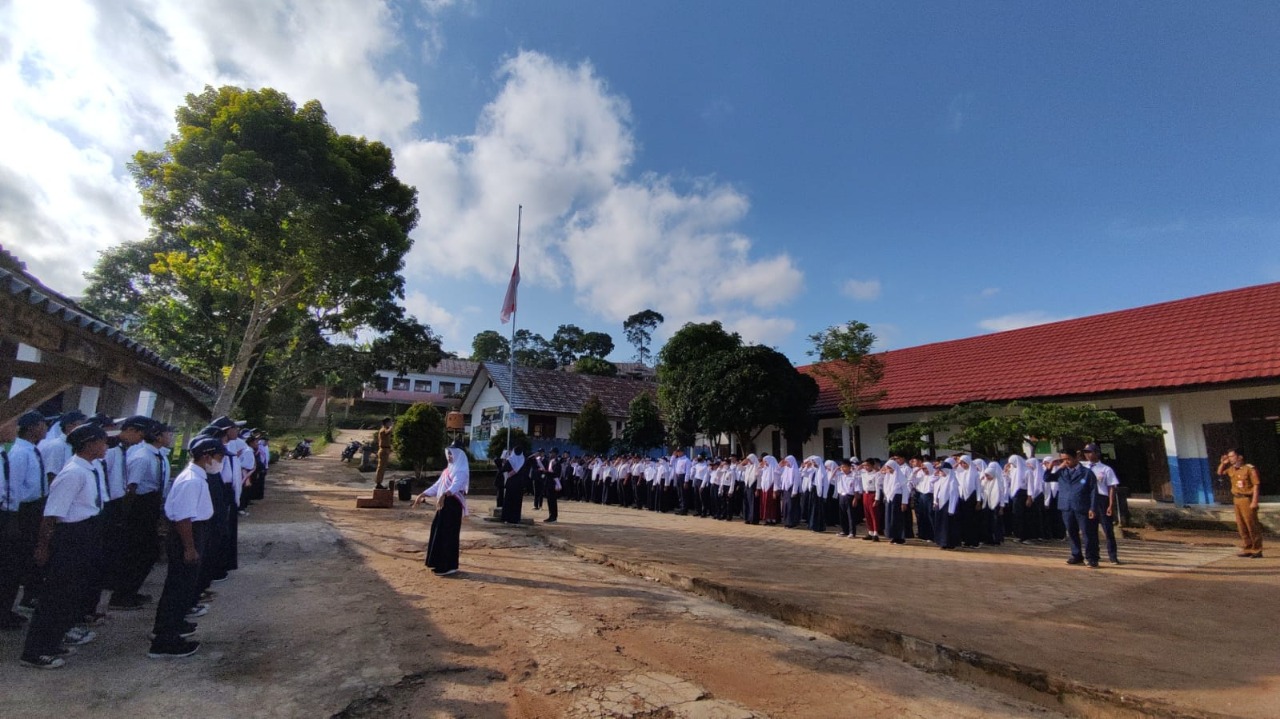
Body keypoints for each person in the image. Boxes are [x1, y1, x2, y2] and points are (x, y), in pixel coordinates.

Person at [19, 424, 110, 669]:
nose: (106, 446)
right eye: (102, 441)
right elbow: (51, 515)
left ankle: (53, 641)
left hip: (87, 532)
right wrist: (43, 546)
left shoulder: (89, 468)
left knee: (71, 594)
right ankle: (35, 651)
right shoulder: (73, 473)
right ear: (89, 444)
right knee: (56, 595)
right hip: (71, 536)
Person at [148, 436, 221, 659]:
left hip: (192, 532)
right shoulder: (192, 481)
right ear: (207, 457)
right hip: (187, 535)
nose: (220, 463)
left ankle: (171, 626)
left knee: (183, 586)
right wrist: (189, 547)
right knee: (179, 587)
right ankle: (165, 641)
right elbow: (183, 518)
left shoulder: (196, 476)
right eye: (219, 458)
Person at [3, 412, 50, 617]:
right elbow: (12, 487)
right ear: (32, 427)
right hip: (22, 511)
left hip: (33, 508)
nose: (45, 428)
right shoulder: (19, 453)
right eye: (42, 424)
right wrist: (13, 517)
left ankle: (9, 607)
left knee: (23, 560)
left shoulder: (31, 450)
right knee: (12, 562)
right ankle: (4, 610)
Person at [412, 445, 470, 576]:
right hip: (443, 504)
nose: (449, 456)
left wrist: (444, 495)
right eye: (448, 453)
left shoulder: (461, 471)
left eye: (451, 454)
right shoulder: (447, 471)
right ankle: (438, 563)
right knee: (439, 532)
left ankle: (448, 565)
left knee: (448, 534)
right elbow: (437, 486)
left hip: (452, 504)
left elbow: (455, 486)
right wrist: (423, 494)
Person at [1046, 449, 1099, 568]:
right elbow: (1047, 478)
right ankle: (1076, 555)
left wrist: (1092, 508)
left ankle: (1092, 557)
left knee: (1087, 533)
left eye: (1068, 459)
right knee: (1071, 531)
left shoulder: (1086, 473)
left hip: (1082, 507)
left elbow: (1093, 491)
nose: (1066, 462)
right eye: (1063, 459)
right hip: (1066, 506)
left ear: (1076, 458)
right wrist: (1051, 467)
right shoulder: (1062, 472)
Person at [1218, 449, 1263, 558]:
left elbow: (1256, 485)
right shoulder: (1232, 469)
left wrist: (1254, 501)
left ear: (1240, 457)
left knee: (1251, 524)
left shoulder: (1249, 469)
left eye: (1232, 456)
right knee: (1241, 525)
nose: (1230, 459)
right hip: (1237, 499)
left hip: (1247, 499)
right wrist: (1223, 463)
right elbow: (1220, 473)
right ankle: (1247, 548)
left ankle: (1257, 549)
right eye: (1229, 456)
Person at [1081, 443, 1121, 564]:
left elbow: (1111, 487)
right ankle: (1094, 556)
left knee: (1107, 529)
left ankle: (1113, 556)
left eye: (1090, 452)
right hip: (1088, 499)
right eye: (1085, 452)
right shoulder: (1083, 467)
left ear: (1096, 453)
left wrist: (1110, 504)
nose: (1087, 455)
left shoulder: (1105, 469)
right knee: (1090, 530)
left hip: (1101, 499)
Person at [499, 447, 529, 524]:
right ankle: (515, 518)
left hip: (511, 483)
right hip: (520, 483)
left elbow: (503, 469)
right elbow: (526, 472)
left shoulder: (510, 460)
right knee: (517, 502)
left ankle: (507, 517)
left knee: (508, 501)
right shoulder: (524, 460)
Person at [374, 417, 394, 489]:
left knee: (383, 467)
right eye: (390, 422)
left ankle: (379, 482)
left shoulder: (386, 429)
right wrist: (391, 428)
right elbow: (387, 433)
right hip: (383, 450)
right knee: (381, 467)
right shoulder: (383, 430)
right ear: (386, 423)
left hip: (386, 449)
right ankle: (378, 483)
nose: (391, 424)